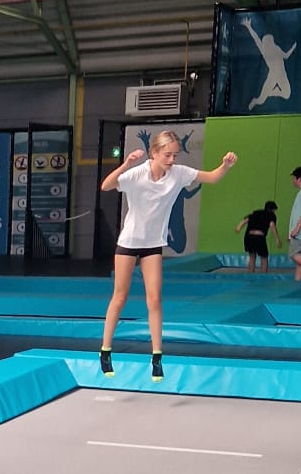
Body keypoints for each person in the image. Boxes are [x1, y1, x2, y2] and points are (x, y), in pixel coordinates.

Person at [98, 131, 239, 378]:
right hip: (129, 242)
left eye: (175, 155)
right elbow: (106, 185)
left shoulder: (179, 173)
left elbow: (212, 177)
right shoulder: (137, 174)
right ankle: (105, 351)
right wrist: (126, 164)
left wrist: (225, 166)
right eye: (167, 155)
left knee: (154, 299)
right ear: (154, 153)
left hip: (153, 244)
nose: (172, 160)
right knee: (120, 296)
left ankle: (157, 357)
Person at [236, 198, 280, 273]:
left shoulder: (255, 213)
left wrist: (239, 227)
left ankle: (251, 274)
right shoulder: (271, 215)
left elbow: (246, 220)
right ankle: (263, 275)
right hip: (259, 237)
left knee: (252, 257)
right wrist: (277, 239)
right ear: (273, 210)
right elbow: (272, 225)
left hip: (249, 237)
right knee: (264, 257)